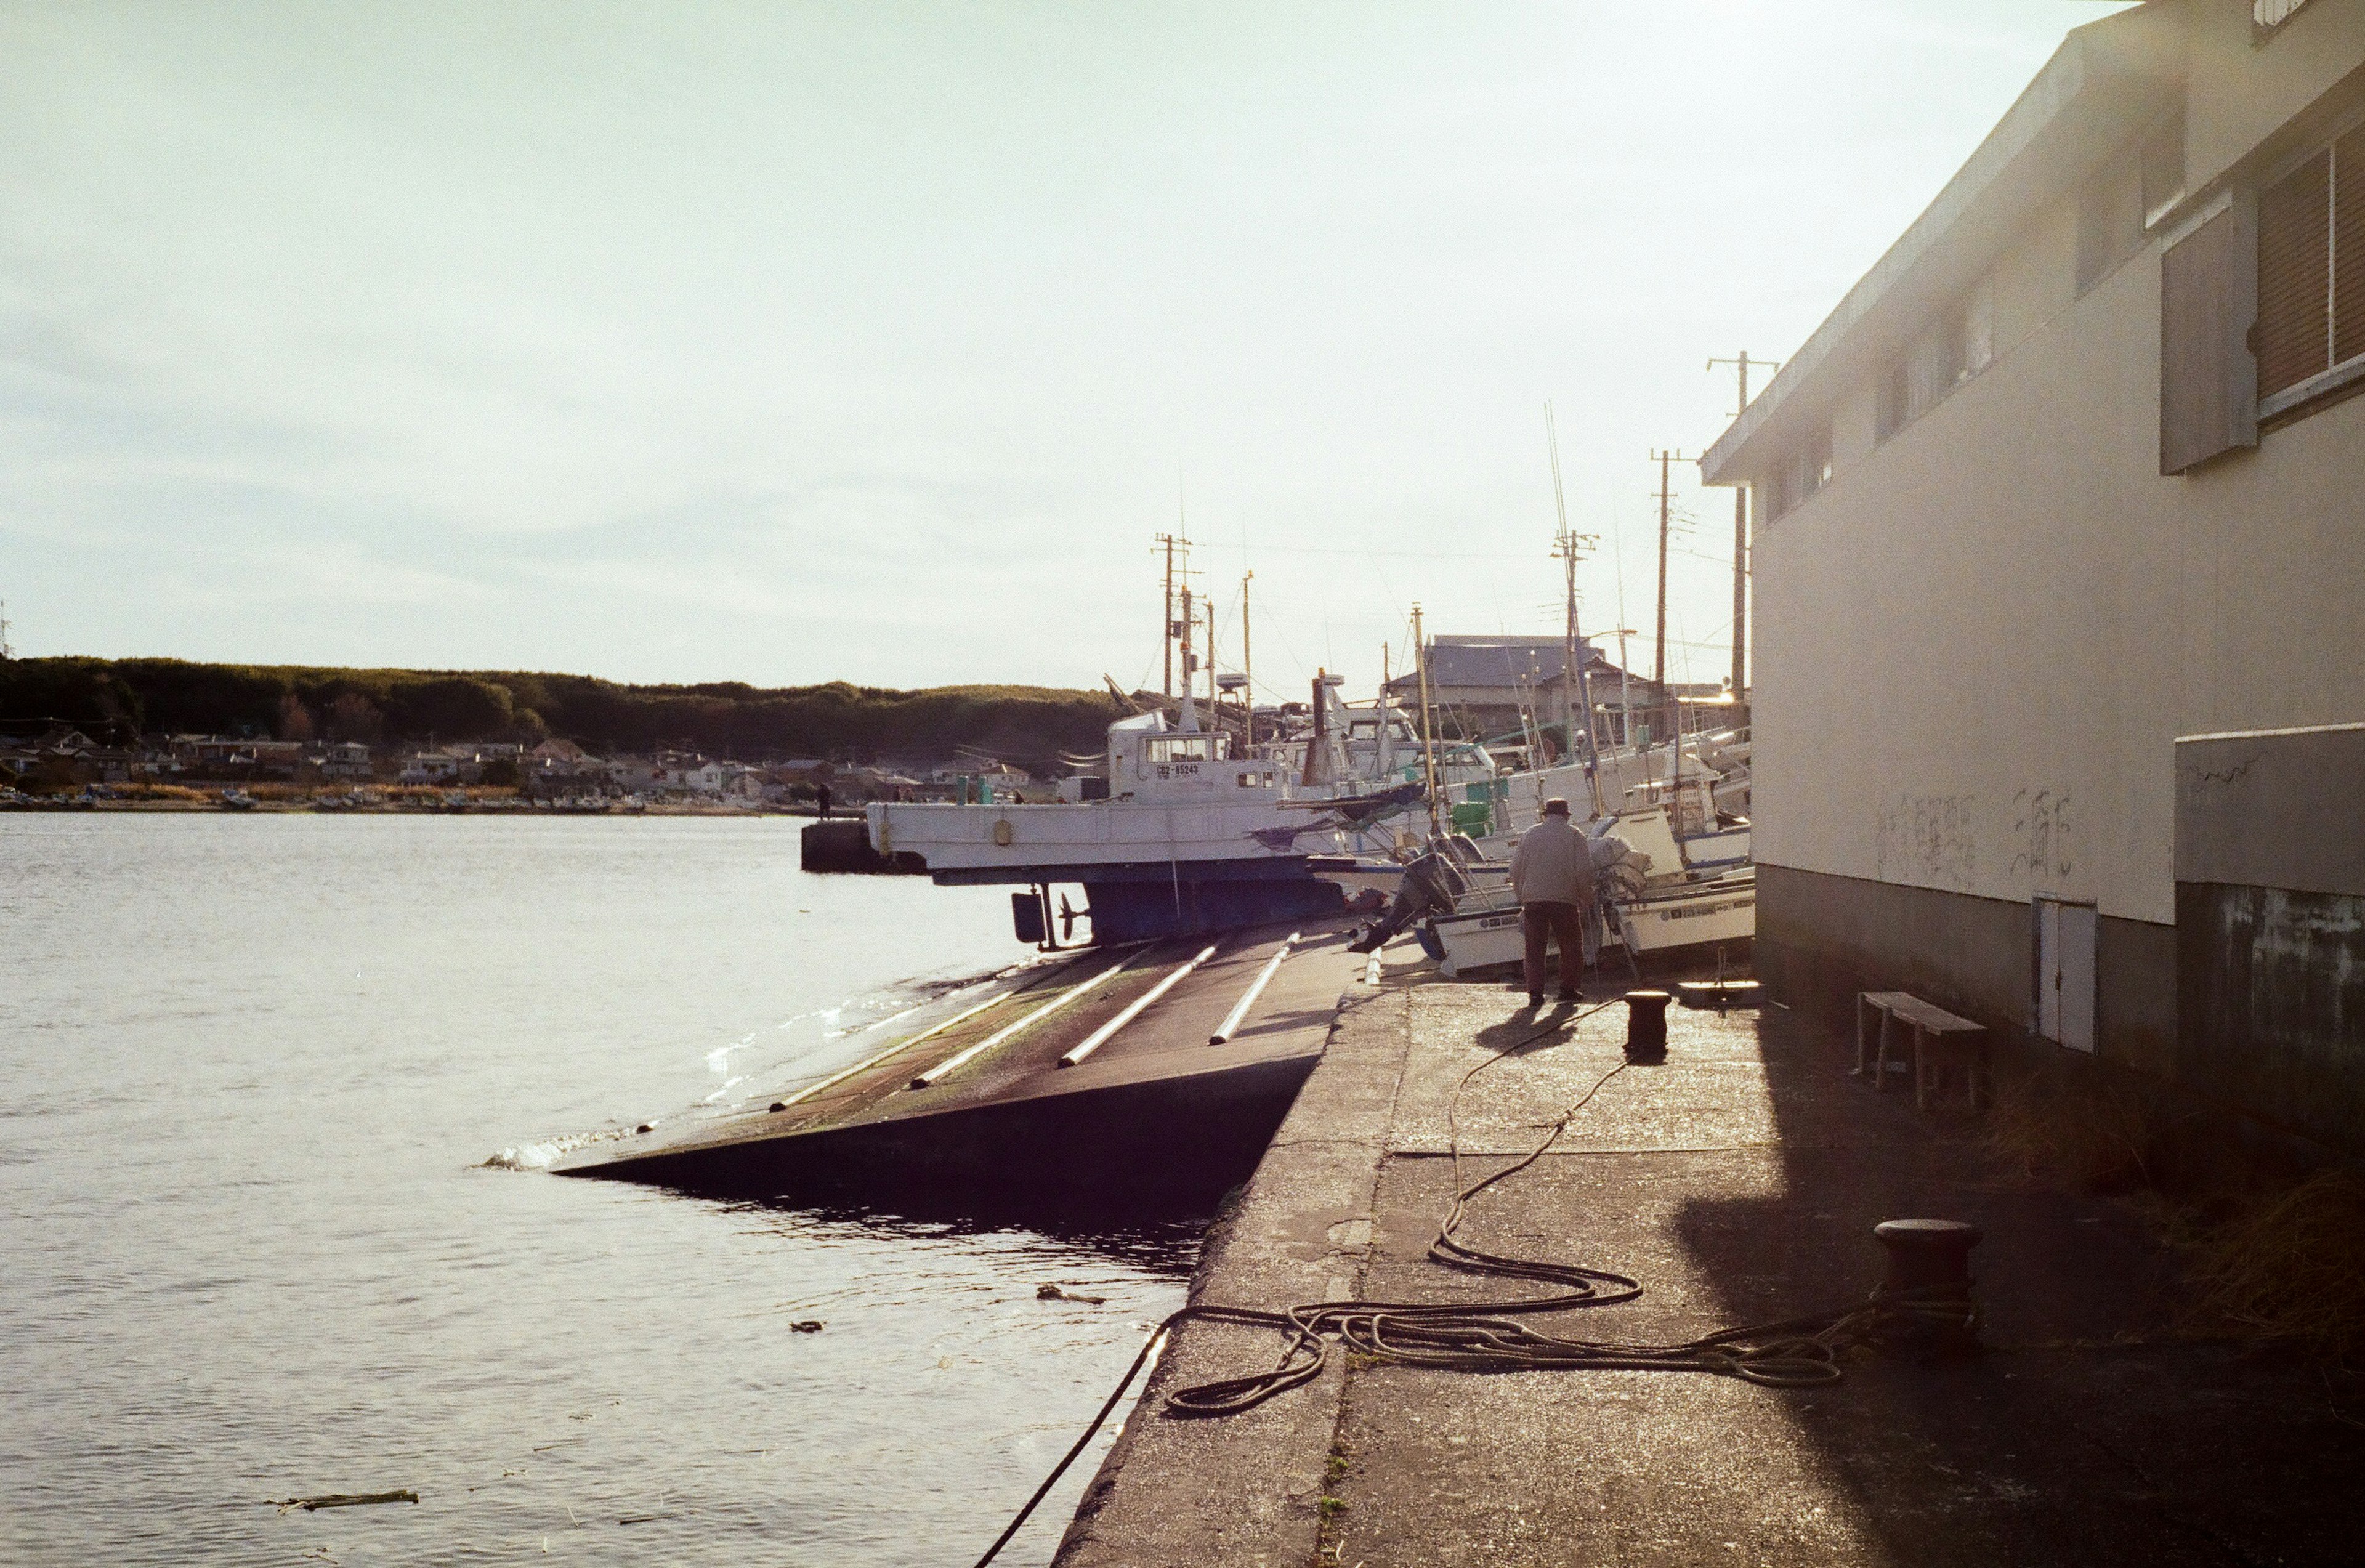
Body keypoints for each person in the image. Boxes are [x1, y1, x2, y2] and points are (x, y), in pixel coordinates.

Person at [1508, 796, 1595, 1007]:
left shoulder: (1530, 834)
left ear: (1546, 815)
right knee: (1571, 946)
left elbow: (1515, 870)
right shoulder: (1575, 836)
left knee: (1535, 949)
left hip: (1534, 900)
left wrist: (1523, 896)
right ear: (1566, 816)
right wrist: (1587, 897)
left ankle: (1535, 994)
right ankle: (1568, 989)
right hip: (1564, 900)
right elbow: (1584, 871)